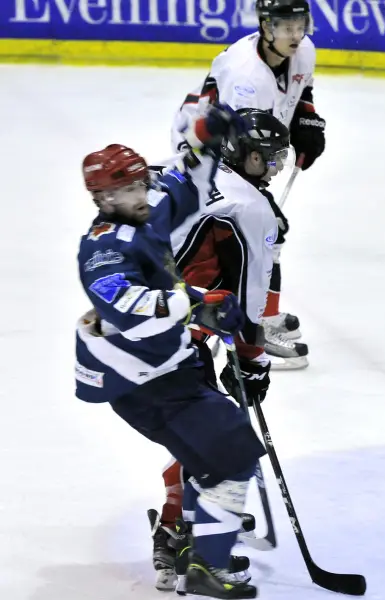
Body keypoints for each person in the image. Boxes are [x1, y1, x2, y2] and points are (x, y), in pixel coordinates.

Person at [75, 106, 264, 599]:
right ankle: (206, 561)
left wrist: (206, 140)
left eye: (141, 184)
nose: (142, 194)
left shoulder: (142, 213)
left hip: (163, 370)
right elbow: (126, 305)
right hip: (144, 382)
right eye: (127, 189)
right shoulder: (102, 248)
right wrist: (196, 305)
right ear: (101, 197)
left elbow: (188, 187)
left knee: (213, 458)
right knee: (232, 452)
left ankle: (197, 547)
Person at [149, 108, 291, 589]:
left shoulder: (185, 169)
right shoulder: (249, 207)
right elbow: (254, 300)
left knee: (203, 436)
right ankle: (180, 537)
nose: (271, 169)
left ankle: (188, 526)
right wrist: (254, 362)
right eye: (266, 159)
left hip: (141, 325)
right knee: (217, 443)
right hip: (171, 337)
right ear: (245, 156)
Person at [171, 0, 327, 368]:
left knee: (264, 231)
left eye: (299, 24)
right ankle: (250, 324)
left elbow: (301, 93)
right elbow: (236, 145)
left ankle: (258, 315)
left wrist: (307, 121)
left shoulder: (304, 50)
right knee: (254, 232)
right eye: (284, 26)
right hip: (206, 150)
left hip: (246, 148)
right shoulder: (246, 78)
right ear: (265, 26)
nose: (294, 34)